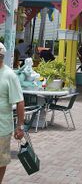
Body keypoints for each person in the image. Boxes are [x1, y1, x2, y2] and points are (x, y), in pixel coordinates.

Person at [0, 43, 25, 183]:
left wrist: (20, 127)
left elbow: (20, 102)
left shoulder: (9, 75)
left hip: (2, 128)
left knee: (1, 161)